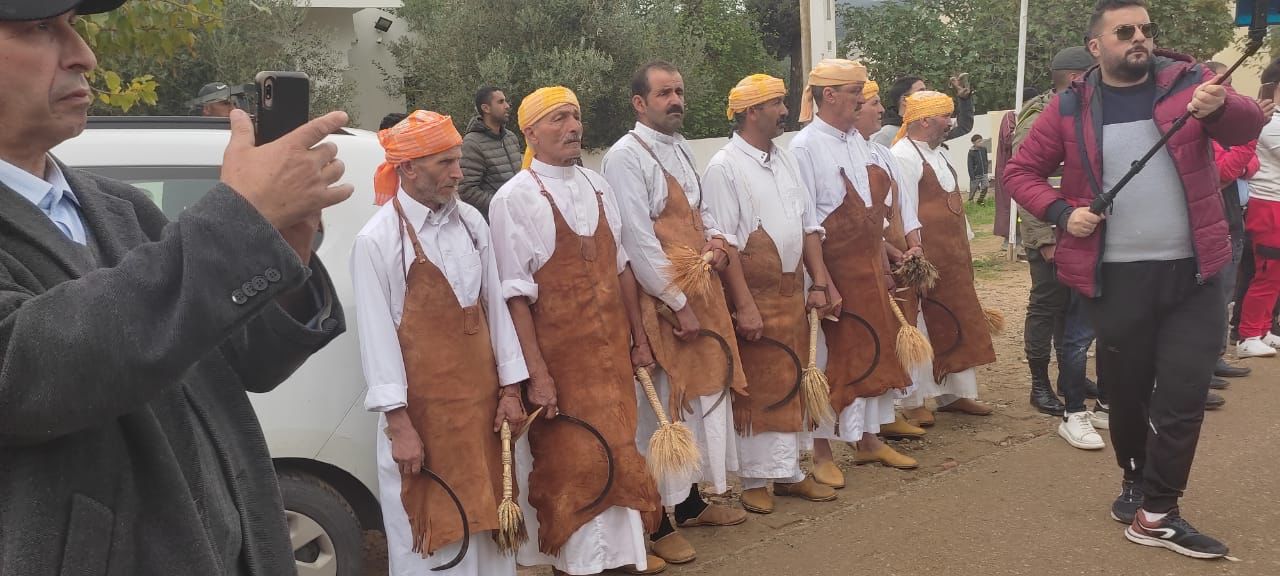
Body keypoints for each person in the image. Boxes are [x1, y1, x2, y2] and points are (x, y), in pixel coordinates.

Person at [0, 1, 352, 574]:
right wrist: (238, 221)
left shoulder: (118, 206)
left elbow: (249, 361)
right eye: (41, 29)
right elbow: (27, 369)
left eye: (74, 27)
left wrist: (285, 245)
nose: (84, 56)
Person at [1004, 0, 1265, 558]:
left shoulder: (1190, 80)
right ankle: (1134, 477)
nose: (1139, 38)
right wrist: (1059, 213)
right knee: (1126, 395)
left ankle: (1158, 510)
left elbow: (1249, 121)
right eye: (1124, 32)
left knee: (1183, 392)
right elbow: (1018, 171)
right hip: (1118, 278)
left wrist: (1218, 108)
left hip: (1196, 272)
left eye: (1145, 29)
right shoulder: (1070, 107)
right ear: (1097, 46)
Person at [489, 86, 665, 576]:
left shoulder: (598, 186)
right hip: (561, 375)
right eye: (558, 120)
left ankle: (625, 559)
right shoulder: (514, 199)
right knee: (572, 467)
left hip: (612, 364)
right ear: (530, 133)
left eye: (575, 117)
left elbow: (624, 268)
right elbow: (515, 298)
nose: (572, 128)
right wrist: (536, 375)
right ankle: (580, 566)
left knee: (620, 455)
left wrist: (640, 339)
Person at [351, 110, 528, 576]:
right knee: (430, 539)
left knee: (490, 526)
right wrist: (400, 426)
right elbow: (377, 340)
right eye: (445, 163)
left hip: (481, 416)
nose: (458, 173)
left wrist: (511, 391)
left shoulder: (472, 223)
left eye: (457, 161)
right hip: (422, 423)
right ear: (408, 168)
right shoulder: (377, 241)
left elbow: (497, 311)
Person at [600, 62, 748, 566]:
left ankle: (688, 501)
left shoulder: (682, 148)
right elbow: (636, 241)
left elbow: (699, 212)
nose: (675, 100)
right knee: (660, 410)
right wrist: (676, 302)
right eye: (664, 93)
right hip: (657, 304)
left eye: (679, 91)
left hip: (696, 291)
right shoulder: (625, 157)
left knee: (696, 401)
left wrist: (716, 241)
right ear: (639, 103)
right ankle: (657, 521)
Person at [703, 74, 840, 515]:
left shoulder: (784, 160)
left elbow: (808, 225)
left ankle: (790, 473)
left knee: (793, 376)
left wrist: (818, 282)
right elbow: (723, 241)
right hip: (756, 297)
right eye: (778, 104)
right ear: (751, 112)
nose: (786, 112)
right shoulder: (724, 167)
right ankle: (757, 480)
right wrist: (744, 306)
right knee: (761, 384)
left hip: (791, 293)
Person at [789, 61, 920, 488]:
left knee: (870, 349)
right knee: (829, 361)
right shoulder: (805, 147)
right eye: (853, 91)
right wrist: (822, 282)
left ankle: (866, 439)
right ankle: (822, 452)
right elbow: (807, 222)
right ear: (828, 95)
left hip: (867, 266)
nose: (862, 99)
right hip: (831, 271)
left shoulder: (859, 145)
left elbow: (869, 216)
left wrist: (885, 257)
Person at [1011, 46, 1109, 446]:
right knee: (1047, 304)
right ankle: (1039, 384)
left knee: (1075, 307)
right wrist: (1045, 238)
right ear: (1074, 77)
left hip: (1082, 231)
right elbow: (1026, 180)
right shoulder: (1041, 115)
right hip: (1051, 231)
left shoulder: (1087, 110)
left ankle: (1069, 376)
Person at [891, 91, 996, 426]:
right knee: (921, 322)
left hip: (952, 258)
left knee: (957, 318)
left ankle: (955, 393)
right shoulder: (903, 157)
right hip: (925, 261)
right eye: (945, 116)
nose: (951, 123)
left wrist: (964, 244)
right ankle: (913, 401)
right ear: (924, 120)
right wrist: (914, 254)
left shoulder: (939, 155)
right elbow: (900, 210)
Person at [1236, 58, 1280, 359]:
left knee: (1275, 274)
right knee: (1266, 271)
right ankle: (1248, 333)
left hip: (1274, 202)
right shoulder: (1270, 121)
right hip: (1267, 203)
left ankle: (1263, 328)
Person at [460, 87, 522, 219]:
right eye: (500, 102)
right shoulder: (472, 143)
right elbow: (467, 190)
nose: (507, 106)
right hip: (494, 222)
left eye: (506, 101)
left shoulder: (511, 138)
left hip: (519, 218)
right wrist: (503, 205)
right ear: (486, 108)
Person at [871, 74, 974, 148]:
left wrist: (964, 99)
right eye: (921, 92)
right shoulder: (886, 134)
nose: (927, 95)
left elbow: (963, 127)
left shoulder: (931, 126)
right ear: (904, 100)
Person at [966, 134, 990, 204]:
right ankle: (970, 201)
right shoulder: (971, 152)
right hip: (976, 175)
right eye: (978, 141)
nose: (980, 143)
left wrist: (986, 169)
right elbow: (969, 165)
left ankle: (980, 200)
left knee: (985, 186)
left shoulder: (984, 149)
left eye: (981, 141)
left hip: (984, 173)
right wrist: (972, 176)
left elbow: (985, 159)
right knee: (973, 189)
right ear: (973, 143)